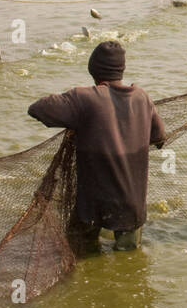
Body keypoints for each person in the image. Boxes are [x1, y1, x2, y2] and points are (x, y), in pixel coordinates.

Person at [27, 41, 166, 253]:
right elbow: (159, 138)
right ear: (121, 70)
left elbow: (37, 109)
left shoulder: (84, 98)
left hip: (93, 204)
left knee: (83, 253)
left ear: (93, 70)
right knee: (129, 262)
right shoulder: (142, 97)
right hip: (132, 206)